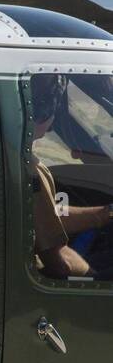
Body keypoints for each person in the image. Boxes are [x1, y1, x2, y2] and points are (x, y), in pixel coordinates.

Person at [30, 73, 113, 278]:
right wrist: (94, 278)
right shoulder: (30, 170)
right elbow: (62, 264)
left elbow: (46, 216)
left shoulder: (14, 158)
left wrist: (104, 214)